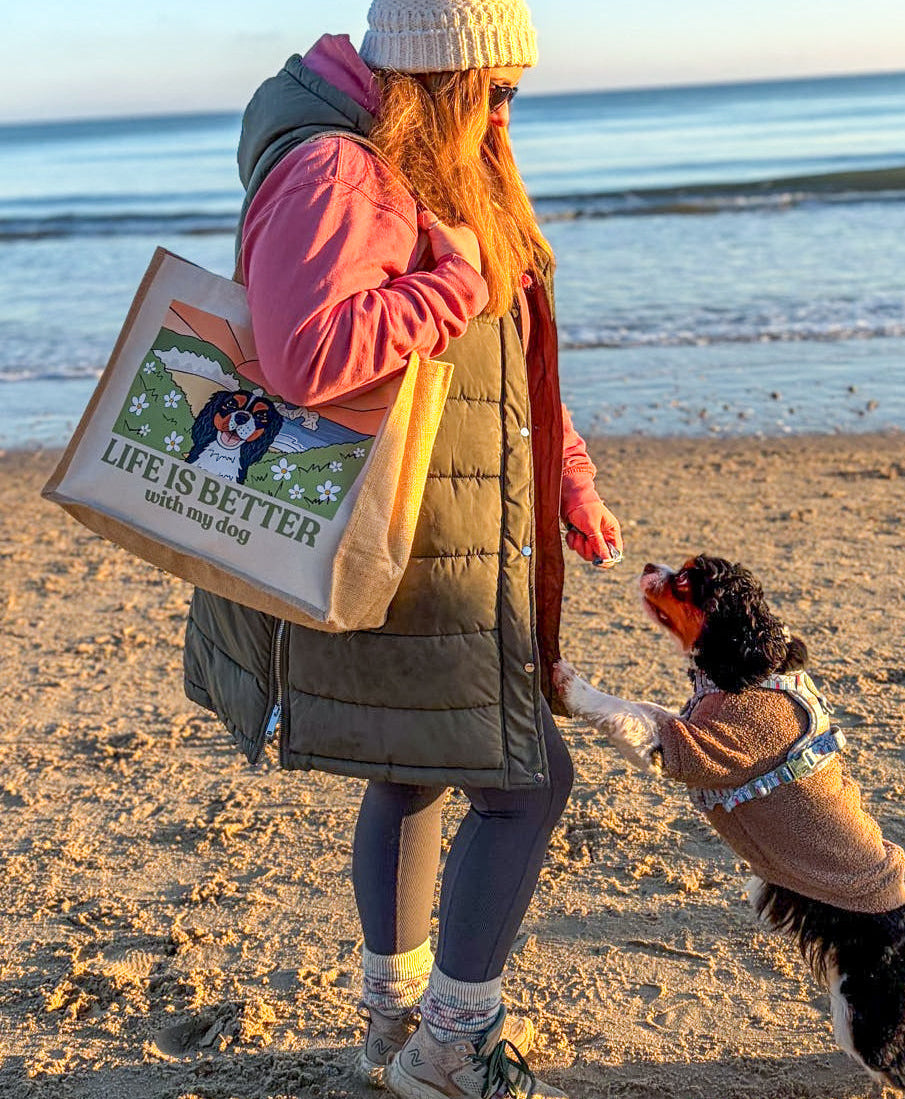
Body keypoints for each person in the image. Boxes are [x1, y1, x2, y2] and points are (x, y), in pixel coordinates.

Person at [181, 2, 623, 1097]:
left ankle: (393, 1025)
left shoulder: (433, 162)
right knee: (525, 781)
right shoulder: (339, 171)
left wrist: (565, 474)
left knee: (416, 768)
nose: (510, 110)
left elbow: (506, 355)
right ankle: (453, 1042)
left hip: (454, 534)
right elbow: (302, 353)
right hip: (408, 546)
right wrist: (453, 284)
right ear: (442, 73)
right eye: (498, 87)